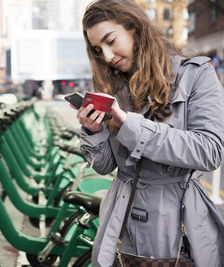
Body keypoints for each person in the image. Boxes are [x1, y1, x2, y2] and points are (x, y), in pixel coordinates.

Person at [74, 0, 224, 266]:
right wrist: (94, 130)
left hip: (179, 224)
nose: (107, 56)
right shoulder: (115, 87)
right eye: (98, 50)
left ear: (135, 28)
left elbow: (210, 151)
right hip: (122, 220)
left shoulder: (196, 75)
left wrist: (130, 125)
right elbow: (106, 165)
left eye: (111, 41)